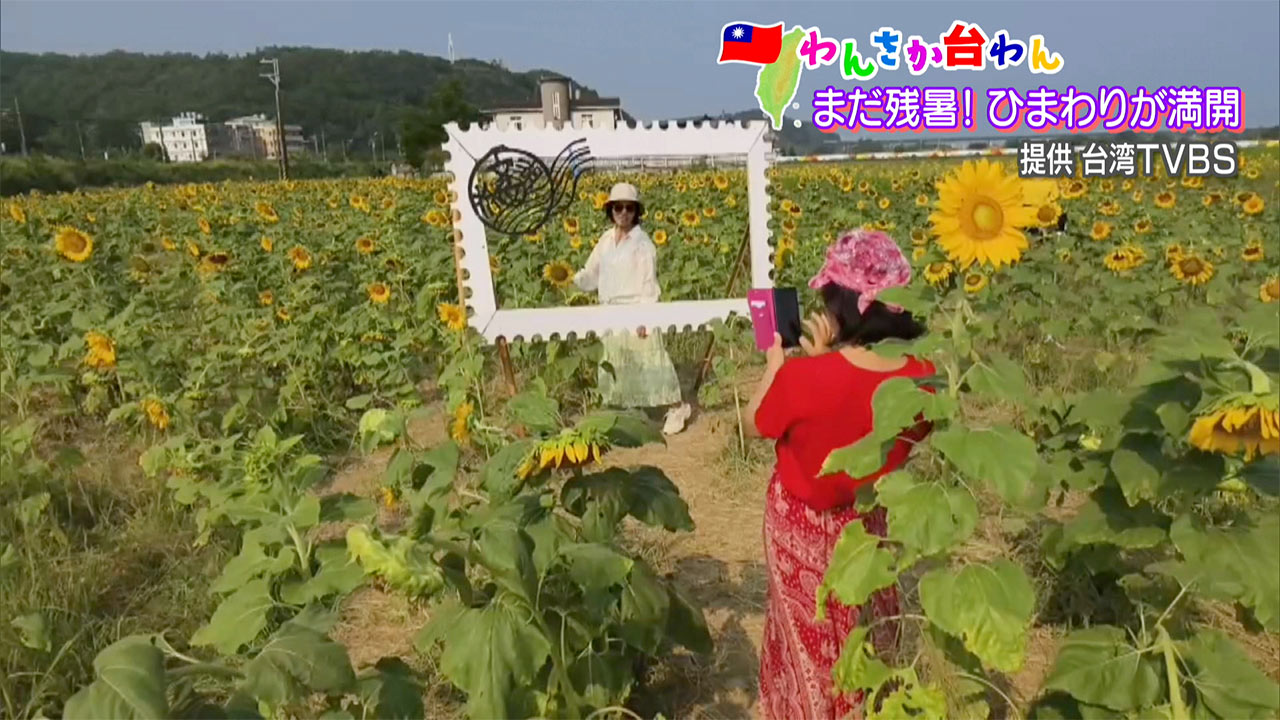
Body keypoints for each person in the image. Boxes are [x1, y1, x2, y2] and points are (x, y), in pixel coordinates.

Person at [744, 229, 936, 720]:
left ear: (842, 306)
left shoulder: (804, 378)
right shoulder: (920, 376)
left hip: (798, 523)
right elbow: (874, 419)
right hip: (867, 525)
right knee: (865, 631)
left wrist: (778, 362)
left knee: (804, 635)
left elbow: (759, 420)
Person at [574, 182, 692, 435]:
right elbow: (592, 273)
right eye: (618, 207)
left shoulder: (643, 243)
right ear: (611, 210)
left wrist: (645, 317)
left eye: (629, 208)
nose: (624, 213)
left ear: (636, 211)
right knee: (618, 364)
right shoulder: (605, 240)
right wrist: (572, 280)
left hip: (636, 309)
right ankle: (625, 417)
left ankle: (676, 406)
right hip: (610, 310)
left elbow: (649, 282)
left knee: (651, 361)